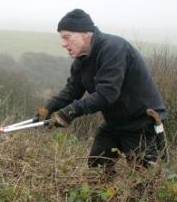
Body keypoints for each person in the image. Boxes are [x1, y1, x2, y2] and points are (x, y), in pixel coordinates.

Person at [40, 9, 167, 170]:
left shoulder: (113, 48)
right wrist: (46, 109)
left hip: (141, 124)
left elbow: (107, 94)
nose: (63, 43)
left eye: (67, 37)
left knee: (144, 182)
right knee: (97, 168)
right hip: (115, 123)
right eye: (62, 38)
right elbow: (72, 91)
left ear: (86, 33)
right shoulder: (82, 59)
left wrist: (70, 112)